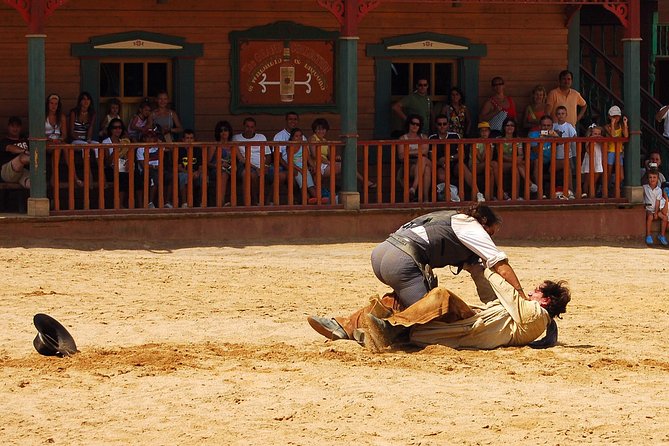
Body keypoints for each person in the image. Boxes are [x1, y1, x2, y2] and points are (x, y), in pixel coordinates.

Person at [306, 204, 527, 341]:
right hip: (403, 261)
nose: (490, 237)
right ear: (484, 222)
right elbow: (499, 263)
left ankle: (343, 324)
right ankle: (383, 330)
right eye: (491, 232)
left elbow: (480, 275)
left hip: (382, 253)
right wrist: (520, 298)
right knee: (427, 321)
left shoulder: (449, 218)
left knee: (407, 300)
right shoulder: (473, 227)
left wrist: (496, 305)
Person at [360, 269, 571, 352]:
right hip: (473, 322)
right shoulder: (532, 315)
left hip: (472, 328)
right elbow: (493, 298)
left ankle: (390, 328)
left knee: (441, 296)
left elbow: (507, 292)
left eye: (536, 292)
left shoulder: (535, 314)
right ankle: (362, 327)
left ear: (545, 301)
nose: (530, 293)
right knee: (403, 298)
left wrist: (489, 266)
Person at [233, 117, 271, 206]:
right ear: (243, 127)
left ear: (255, 128)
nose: (249, 129)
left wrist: (265, 166)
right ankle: (252, 201)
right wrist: (256, 168)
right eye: (247, 126)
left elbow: (268, 155)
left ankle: (268, 201)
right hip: (245, 165)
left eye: (252, 127)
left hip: (263, 165)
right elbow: (241, 159)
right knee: (251, 175)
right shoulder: (236, 138)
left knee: (278, 174)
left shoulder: (261, 137)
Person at [398, 114, 430, 201]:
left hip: (424, 160)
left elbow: (425, 151)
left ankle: (413, 188)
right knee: (426, 170)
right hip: (410, 164)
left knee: (423, 159)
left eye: (417, 124)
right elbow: (401, 155)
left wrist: (408, 152)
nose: (415, 126)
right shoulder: (403, 138)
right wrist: (418, 152)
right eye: (413, 123)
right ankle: (425, 199)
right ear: (408, 124)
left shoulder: (424, 137)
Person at [429, 114, 461, 201]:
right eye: (440, 124)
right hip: (439, 164)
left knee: (462, 168)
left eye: (444, 124)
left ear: (448, 125)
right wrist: (440, 162)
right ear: (436, 125)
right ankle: (447, 197)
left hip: (454, 163)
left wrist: (449, 158)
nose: (442, 126)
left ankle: (478, 194)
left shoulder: (455, 136)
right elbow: (431, 157)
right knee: (441, 175)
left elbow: (462, 154)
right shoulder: (432, 138)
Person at [102, 118, 131, 207]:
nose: (118, 130)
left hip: (121, 167)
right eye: (115, 127)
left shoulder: (123, 141)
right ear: (111, 129)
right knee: (122, 177)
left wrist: (128, 162)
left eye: (120, 127)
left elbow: (126, 157)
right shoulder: (106, 142)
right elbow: (106, 162)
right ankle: (119, 204)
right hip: (110, 169)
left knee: (134, 175)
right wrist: (116, 150)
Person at [495, 117, 527, 200]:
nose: (510, 127)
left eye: (512, 125)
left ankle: (515, 197)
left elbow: (521, 155)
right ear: (504, 127)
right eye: (507, 125)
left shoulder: (518, 139)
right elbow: (500, 156)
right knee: (518, 165)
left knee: (515, 168)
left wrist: (517, 160)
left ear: (515, 127)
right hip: (502, 164)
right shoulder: (498, 139)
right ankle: (529, 183)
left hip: (514, 164)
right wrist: (515, 160)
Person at [552, 106, 577, 199]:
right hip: (555, 156)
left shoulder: (569, 126)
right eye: (558, 114)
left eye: (563, 113)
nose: (561, 116)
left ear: (566, 115)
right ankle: (555, 192)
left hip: (567, 155)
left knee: (568, 172)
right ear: (556, 115)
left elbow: (574, 139)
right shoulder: (553, 126)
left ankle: (570, 191)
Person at [0, 116, 31, 189]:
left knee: (33, 183)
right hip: (7, 172)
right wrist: (24, 151)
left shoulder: (25, 140)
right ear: (8, 127)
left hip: (22, 172)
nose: (15, 129)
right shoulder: (4, 141)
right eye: (12, 126)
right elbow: (10, 148)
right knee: (22, 157)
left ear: (21, 128)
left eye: (17, 126)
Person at [604, 105, 628, 194]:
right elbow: (613, 135)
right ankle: (605, 191)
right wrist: (613, 124)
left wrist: (625, 124)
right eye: (613, 116)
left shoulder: (621, 125)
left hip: (619, 152)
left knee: (621, 176)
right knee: (608, 173)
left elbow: (626, 135)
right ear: (609, 116)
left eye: (617, 116)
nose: (616, 118)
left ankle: (615, 190)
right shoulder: (607, 127)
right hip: (610, 151)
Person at [209, 120, 234, 207]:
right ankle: (221, 202)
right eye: (221, 130)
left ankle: (233, 201)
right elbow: (208, 163)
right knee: (224, 173)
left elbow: (242, 159)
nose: (223, 132)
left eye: (225, 130)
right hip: (216, 169)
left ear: (229, 131)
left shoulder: (233, 145)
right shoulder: (214, 145)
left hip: (231, 169)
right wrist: (218, 165)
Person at [177, 129, 203, 208]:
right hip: (184, 172)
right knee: (184, 177)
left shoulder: (197, 150)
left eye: (191, 138)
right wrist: (189, 173)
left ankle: (202, 203)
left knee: (203, 178)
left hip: (196, 173)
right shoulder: (179, 150)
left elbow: (201, 166)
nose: (189, 140)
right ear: (183, 139)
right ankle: (185, 203)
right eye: (187, 138)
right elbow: (179, 167)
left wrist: (198, 173)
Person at [643, 169, 668, 246]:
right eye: (650, 177)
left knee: (665, 218)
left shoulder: (659, 190)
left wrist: (656, 212)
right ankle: (648, 235)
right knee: (650, 217)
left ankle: (662, 235)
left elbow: (658, 202)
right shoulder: (644, 187)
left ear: (657, 179)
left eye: (654, 177)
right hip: (648, 209)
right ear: (648, 179)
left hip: (656, 210)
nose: (652, 179)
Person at [581, 124, 605, 198]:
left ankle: (592, 195)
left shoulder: (601, 142)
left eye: (599, 134)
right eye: (595, 134)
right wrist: (591, 139)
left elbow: (604, 149)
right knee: (587, 180)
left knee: (594, 180)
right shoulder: (589, 141)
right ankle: (585, 193)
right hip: (589, 160)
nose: (597, 135)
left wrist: (600, 140)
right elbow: (588, 150)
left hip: (598, 160)